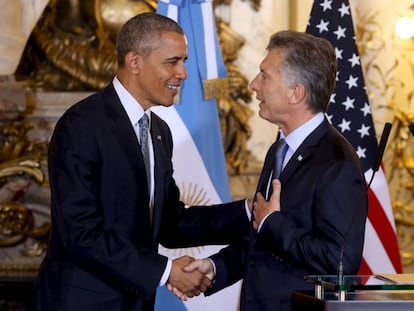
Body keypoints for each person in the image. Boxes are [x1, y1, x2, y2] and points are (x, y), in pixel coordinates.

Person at [31, 12, 250, 311]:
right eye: (172, 61)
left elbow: (170, 223)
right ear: (135, 62)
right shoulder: (83, 124)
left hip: (137, 303)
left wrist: (248, 212)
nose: (183, 73)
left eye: (184, 61)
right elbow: (80, 233)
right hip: (82, 302)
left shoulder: (159, 132)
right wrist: (166, 271)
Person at [171, 30, 368, 311]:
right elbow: (264, 242)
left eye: (265, 75)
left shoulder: (336, 162)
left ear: (296, 92)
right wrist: (216, 267)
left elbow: (338, 261)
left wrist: (273, 223)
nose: (253, 85)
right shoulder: (280, 150)